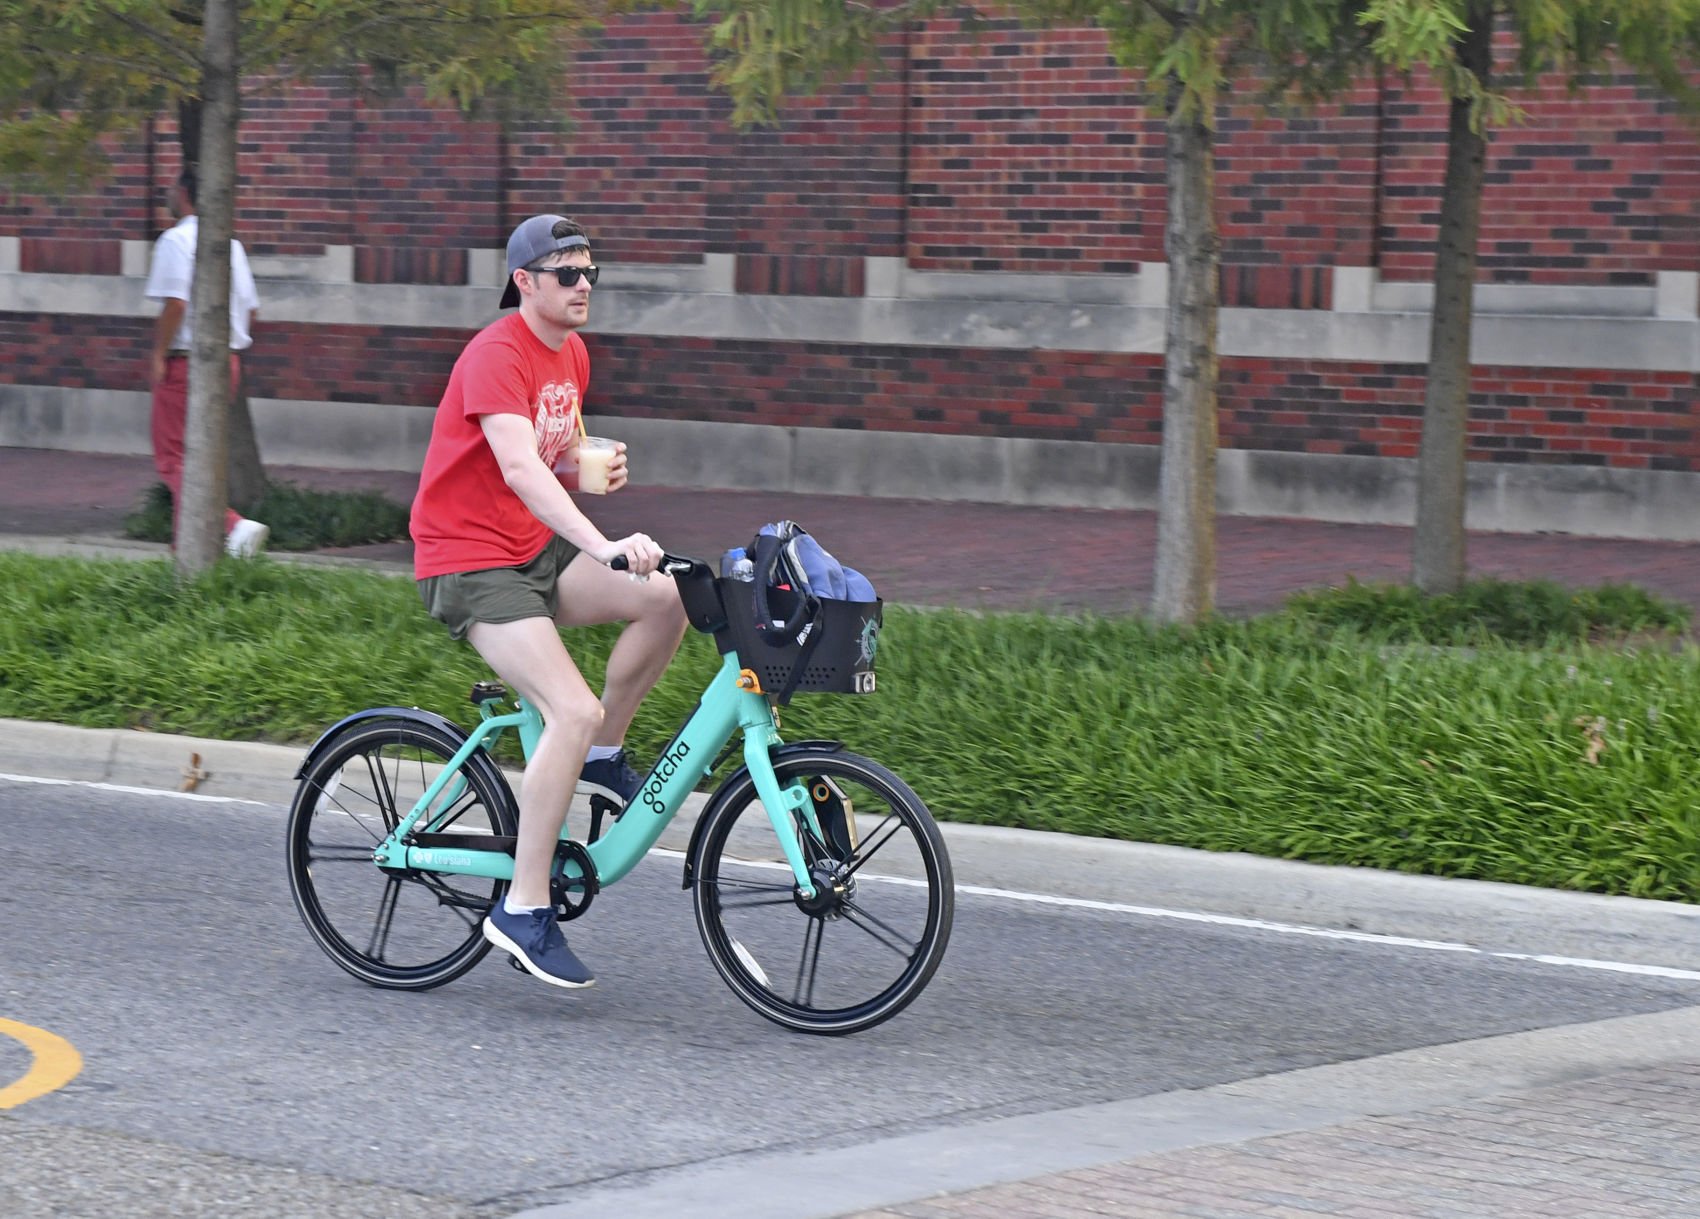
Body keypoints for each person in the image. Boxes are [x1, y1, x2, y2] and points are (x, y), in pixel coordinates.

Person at [410, 214, 688, 990]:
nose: (584, 286)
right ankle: (523, 908)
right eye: (567, 274)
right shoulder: (495, 354)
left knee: (665, 599)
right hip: (469, 559)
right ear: (525, 282)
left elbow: (551, 459)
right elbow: (520, 468)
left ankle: (601, 757)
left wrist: (591, 465)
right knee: (570, 707)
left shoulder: (573, 354)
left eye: (591, 272)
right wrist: (601, 542)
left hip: (531, 546)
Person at [144, 169, 269, 557]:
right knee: (200, 453)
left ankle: (232, 526)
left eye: (170, 188)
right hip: (227, 360)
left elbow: (176, 303)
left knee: (174, 458)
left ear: (183, 192)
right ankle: (190, 547)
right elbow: (251, 310)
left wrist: (158, 354)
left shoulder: (176, 240)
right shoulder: (229, 245)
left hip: (187, 362)